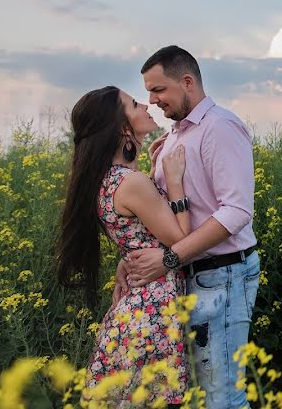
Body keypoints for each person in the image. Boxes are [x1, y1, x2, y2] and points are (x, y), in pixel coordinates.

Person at [121, 45, 259, 409]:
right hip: (192, 275)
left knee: (223, 397)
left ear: (186, 82)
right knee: (205, 392)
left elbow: (237, 211)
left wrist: (168, 258)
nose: (152, 100)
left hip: (223, 274)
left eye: (158, 90)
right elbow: (169, 210)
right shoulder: (178, 136)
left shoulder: (220, 127)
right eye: (148, 92)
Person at [55, 86, 191, 406]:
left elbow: (132, 234)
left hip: (135, 303)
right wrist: (174, 182)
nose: (146, 104)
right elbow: (183, 240)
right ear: (121, 127)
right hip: (154, 305)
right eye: (133, 104)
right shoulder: (131, 183)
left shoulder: (106, 179)